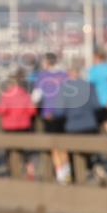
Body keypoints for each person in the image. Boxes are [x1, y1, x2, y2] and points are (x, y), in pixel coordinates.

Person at [61, 68, 104, 184]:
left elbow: (60, 110)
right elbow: (97, 106)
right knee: (92, 152)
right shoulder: (90, 86)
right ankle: (97, 168)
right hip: (90, 124)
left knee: (74, 155)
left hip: (73, 127)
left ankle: (76, 179)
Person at [33, 53, 70, 183]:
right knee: (64, 143)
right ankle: (67, 172)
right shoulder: (64, 75)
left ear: (47, 62)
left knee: (54, 145)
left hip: (49, 114)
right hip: (64, 113)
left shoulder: (42, 76)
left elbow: (36, 97)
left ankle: (60, 175)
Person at [0, 70, 37, 179]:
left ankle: (12, 172)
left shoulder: (6, 95)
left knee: (10, 150)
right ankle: (29, 171)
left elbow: (1, 111)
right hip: (24, 126)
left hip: (9, 127)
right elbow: (32, 111)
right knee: (26, 151)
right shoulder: (25, 94)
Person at [88, 50, 107, 136]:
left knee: (96, 124)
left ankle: (99, 146)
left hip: (97, 102)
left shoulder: (94, 70)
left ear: (97, 58)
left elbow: (89, 85)